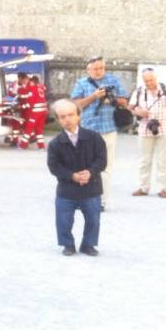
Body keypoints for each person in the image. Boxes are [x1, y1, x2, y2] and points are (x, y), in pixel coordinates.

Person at [47, 99, 106, 256]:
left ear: (78, 115)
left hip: (91, 187)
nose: (68, 119)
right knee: (63, 220)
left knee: (93, 219)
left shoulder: (94, 137)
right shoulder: (55, 144)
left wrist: (90, 172)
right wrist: (71, 175)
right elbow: (54, 166)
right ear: (58, 120)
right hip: (67, 189)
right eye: (63, 116)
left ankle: (88, 245)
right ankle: (67, 244)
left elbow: (102, 160)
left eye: (71, 115)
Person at [70, 56, 128, 209]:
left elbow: (124, 102)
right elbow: (76, 105)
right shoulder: (81, 83)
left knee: (105, 168)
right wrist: (94, 96)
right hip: (88, 130)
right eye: (95, 69)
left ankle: (101, 201)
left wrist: (112, 98)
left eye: (101, 68)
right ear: (88, 70)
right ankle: (83, 200)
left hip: (108, 130)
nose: (99, 71)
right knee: (84, 166)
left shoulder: (113, 80)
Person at [128, 68, 166, 198]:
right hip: (145, 128)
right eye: (146, 81)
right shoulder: (139, 91)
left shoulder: (165, 89)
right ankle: (143, 187)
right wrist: (138, 112)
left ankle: (163, 188)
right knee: (144, 160)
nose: (149, 83)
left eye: (151, 80)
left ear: (156, 78)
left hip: (164, 128)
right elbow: (130, 108)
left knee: (163, 160)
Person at [22, 74, 48, 149]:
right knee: (39, 128)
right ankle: (41, 145)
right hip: (44, 110)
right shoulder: (41, 87)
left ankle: (23, 144)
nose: (29, 83)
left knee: (29, 127)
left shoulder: (32, 88)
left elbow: (31, 102)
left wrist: (22, 106)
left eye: (30, 82)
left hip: (36, 111)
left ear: (33, 82)